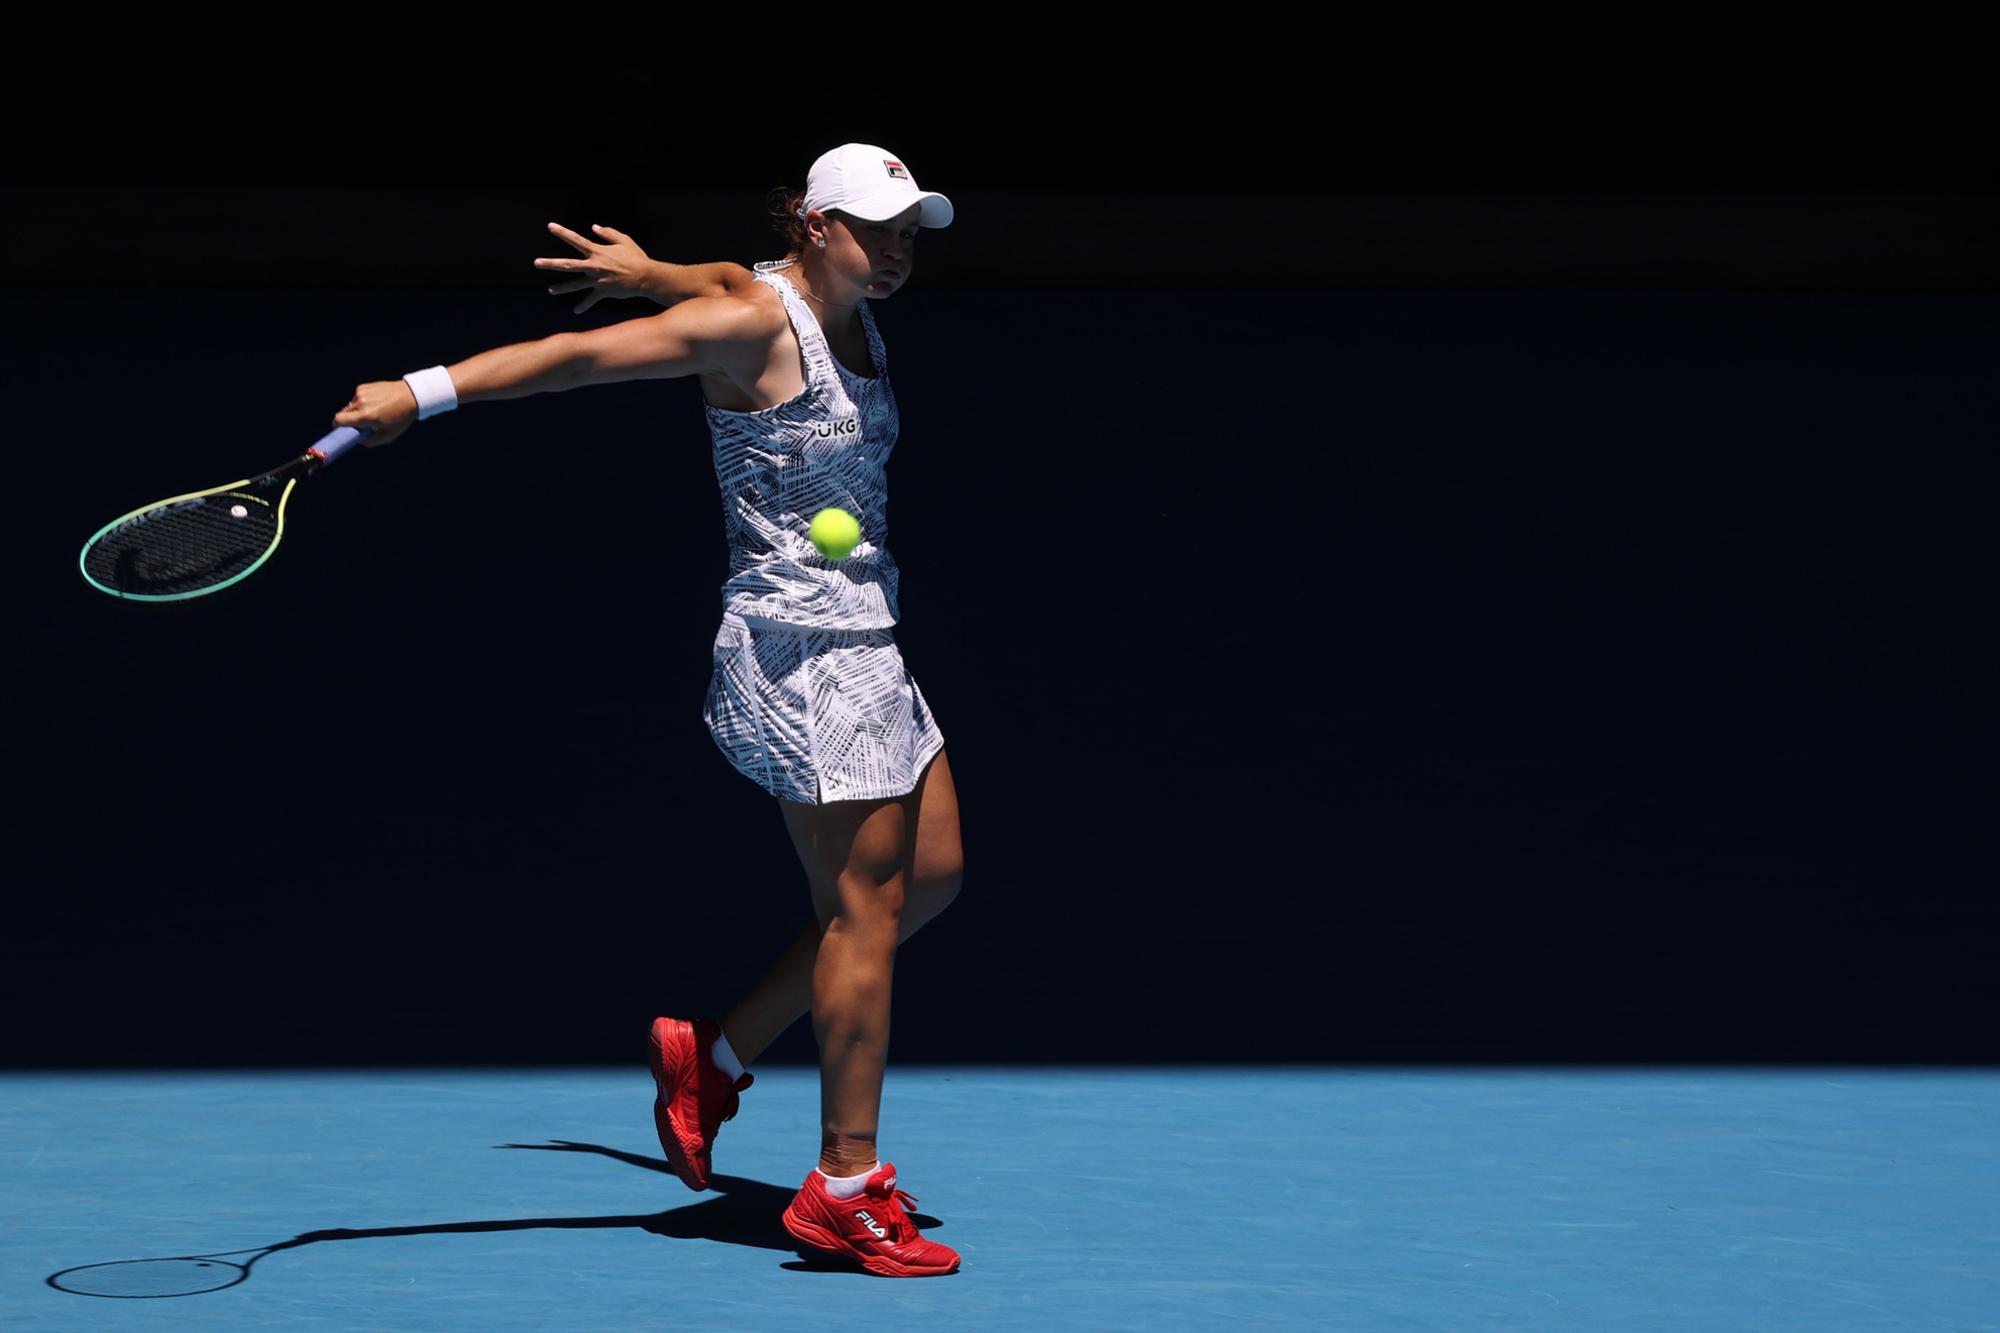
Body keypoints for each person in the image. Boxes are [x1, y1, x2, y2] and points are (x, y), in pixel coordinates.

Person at [332, 143, 965, 1279]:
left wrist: (649, 262)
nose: (898, 244)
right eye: (876, 225)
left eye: (911, 225)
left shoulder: (820, 301)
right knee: (863, 911)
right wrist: (419, 395)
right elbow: (580, 359)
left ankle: (710, 1056)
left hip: (870, 635)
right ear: (815, 224)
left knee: (931, 877)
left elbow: (715, 270)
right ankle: (843, 1186)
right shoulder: (749, 326)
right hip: (800, 652)